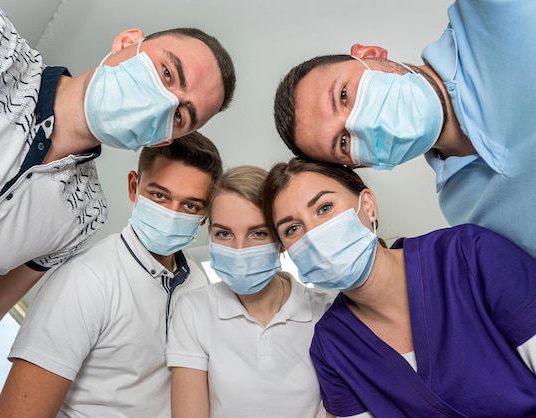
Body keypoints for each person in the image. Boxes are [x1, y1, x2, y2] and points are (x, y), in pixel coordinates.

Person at [0, 0, 235, 414]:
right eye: (167, 73)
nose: (161, 104)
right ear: (127, 42)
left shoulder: (82, 213)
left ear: (160, 140)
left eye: (180, 116)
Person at [262, 157, 536, 417]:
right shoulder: (332, 346)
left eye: (324, 208)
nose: (313, 233)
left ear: (368, 205)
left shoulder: (470, 255)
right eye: (292, 229)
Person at [272, 0, 536, 258]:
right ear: (359, 164)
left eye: (343, 95)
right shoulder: (464, 210)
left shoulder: (495, 9)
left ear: (369, 54)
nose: (361, 123)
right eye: (343, 142)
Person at [0, 132, 222, 417]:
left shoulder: (198, 284)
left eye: (190, 205)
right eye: (160, 195)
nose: (172, 214)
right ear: (133, 187)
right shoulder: (85, 279)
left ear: (204, 216)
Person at [166, 165, 334, 418]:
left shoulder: (328, 311)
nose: (240, 249)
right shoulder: (193, 309)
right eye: (224, 233)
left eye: (258, 233)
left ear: (280, 241)